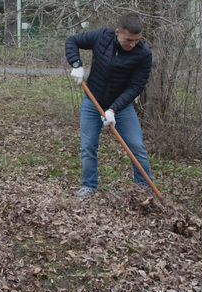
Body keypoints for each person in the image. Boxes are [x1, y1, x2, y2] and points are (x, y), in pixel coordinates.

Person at [65, 13, 154, 198]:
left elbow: (136, 87)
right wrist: (76, 64)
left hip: (122, 108)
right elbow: (72, 41)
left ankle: (144, 189)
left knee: (136, 146)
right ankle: (89, 186)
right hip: (93, 101)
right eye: (128, 39)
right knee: (88, 145)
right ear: (118, 32)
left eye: (137, 40)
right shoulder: (102, 37)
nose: (132, 44)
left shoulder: (143, 55)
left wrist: (113, 109)